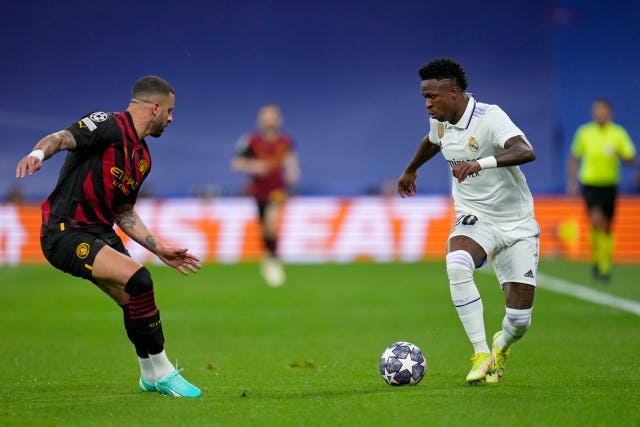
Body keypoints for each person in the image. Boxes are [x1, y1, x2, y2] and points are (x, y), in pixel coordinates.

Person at [15, 76, 202, 398]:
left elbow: (124, 213)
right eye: (169, 111)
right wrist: (37, 154)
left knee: (132, 302)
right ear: (155, 107)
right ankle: (165, 372)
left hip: (100, 232)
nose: (171, 119)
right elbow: (60, 138)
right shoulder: (107, 124)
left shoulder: (142, 159)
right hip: (65, 231)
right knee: (140, 280)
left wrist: (159, 248)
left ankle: (148, 376)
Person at [397, 58, 539, 385]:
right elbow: (433, 141)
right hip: (475, 214)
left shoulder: (490, 117)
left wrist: (481, 163)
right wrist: (410, 169)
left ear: (454, 92)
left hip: (516, 224)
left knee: (519, 320)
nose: (427, 104)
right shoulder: (441, 120)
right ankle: (480, 353)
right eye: (424, 97)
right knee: (458, 262)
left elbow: (526, 150)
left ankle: (501, 344)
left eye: (432, 96)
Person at [567, 99, 636, 282]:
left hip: (610, 184)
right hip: (590, 183)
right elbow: (574, 157)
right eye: (596, 111)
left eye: (602, 111)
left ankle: (602, 262)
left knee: (607, 226)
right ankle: (600, 263)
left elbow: (631, 158)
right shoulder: (585, 132)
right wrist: (572, 181)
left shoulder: (618, 133)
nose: (599, 114)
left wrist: (619, 155)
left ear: (609, 113)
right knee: (596, 219)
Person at [231, 104, 300, 287]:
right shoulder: (250, 141)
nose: (270, 120)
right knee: (265, 227)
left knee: (272, 221)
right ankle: (269, 255)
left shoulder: (285, 141)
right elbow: (237, 163)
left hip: (278, 189)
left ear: (279, 119)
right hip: (258, 190)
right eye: (266, 117)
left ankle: (273, 258)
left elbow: (291, 159)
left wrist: (293, 171)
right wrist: (254, 166)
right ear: (260, 120)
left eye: (273, 116)